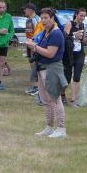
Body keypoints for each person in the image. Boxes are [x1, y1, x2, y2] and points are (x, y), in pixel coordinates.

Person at [26, 8, 67, 138]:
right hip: (42, 68)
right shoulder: (45, 32)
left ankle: (61, 129)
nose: (43, 21)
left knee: (55, 99)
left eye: (46, 18)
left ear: (52, 18)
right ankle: (49, 127)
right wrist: (33, 45)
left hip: (52, 69)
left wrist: (35, 47)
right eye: (42, 18)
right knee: (46, 101)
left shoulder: (56, 33)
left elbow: (50, 53)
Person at [63, 8, 87, 105]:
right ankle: (62, 95)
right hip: (69, 54)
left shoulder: (84, 26)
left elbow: (83, 41)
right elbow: (64, 38)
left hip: (79, 53)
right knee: (67, 76)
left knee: (77, 76)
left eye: (84, 16)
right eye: (81, 15)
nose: (82, 18)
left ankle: (73, 100)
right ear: (76, 15)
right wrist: (74, 36)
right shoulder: (69, 24)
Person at [24, 3, 40, 96]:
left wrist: (34, 44)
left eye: (26, 9)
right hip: (28, 44)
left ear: (31, 10)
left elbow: (39, 33)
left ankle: (38, 87)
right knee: (32, 64)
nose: (25, 11)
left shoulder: (37, 19)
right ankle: (34, 86)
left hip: (34, 44)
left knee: (36, 65)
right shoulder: (27, 20)